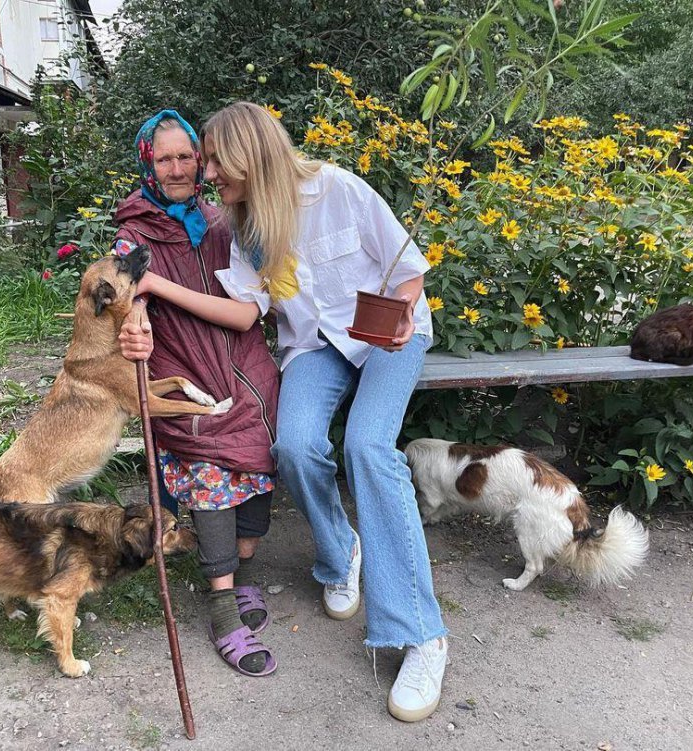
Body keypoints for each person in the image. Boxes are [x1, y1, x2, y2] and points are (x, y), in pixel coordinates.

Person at [122, 102, 448, 721]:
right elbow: (245, 311)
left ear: (250, 155)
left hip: (387, 336)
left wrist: (404, 310)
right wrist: (152, 289)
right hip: (316, 347)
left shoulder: (339, 189)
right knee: (293, 445)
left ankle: (420, 633)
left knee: (367, 448)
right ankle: (341, 553)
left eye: (213, 161)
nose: (204, 173)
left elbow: (409, 271)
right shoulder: (245, 224)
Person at [114, 110, 279, 677]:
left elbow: (255, 294)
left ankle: (243, 570)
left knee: (257, 461)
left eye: (186, 156)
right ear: (148, 164)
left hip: (243, 363)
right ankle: (221, 602)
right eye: (165, 159)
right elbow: (126, 286)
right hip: (183, 367)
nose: (178, 168)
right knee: (211, 472)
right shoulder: (134, 231)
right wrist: (134, 319)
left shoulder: (224, 219)